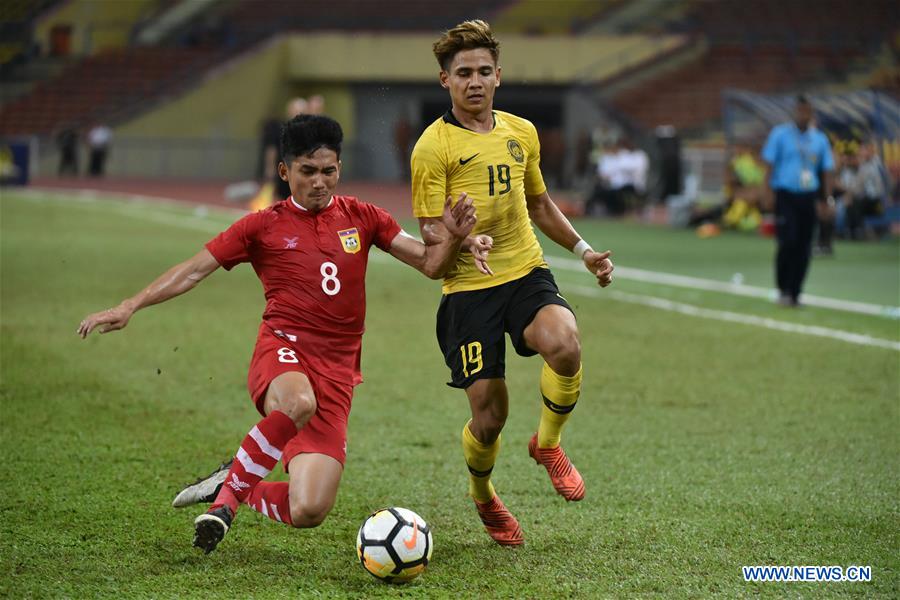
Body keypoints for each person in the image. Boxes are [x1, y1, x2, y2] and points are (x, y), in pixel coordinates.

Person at [77, 114, 477, 554]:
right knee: (298, 402)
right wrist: (130, 304)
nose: (319, 182)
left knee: (309, 509)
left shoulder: (364, 217)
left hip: (338, 371)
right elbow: (193, 271)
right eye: (307, 171)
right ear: (284, 171)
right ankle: (224, 508)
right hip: (283, 351)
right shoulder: (262, 226)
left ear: (339, 168)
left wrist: (454, 239)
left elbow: (429, 265)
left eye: (328, 171)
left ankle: (232, 481)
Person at [409, 20, 614, 546]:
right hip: (467, 290)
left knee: (565, 343)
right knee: (490, 417)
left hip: (524, 270)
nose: (474, 81)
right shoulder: (432, 147)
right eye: (463, 73)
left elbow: (540, 204)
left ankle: (548, 443)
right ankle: (483, 494)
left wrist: (584, 251)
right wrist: (462, 240)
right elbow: (429, 230)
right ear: (445, 80)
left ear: (498, 75)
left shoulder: (522, 132)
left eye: (483, 71)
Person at [761, 95, 834, 307]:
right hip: (786, 194)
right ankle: (783, 288)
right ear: (794, 111)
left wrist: (826, 199)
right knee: (788, 241)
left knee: (804, 245)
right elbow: (769, 165)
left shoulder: (819, 139)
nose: (803, 115)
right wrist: (767, 193)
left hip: (808, 195)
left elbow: (826, 171)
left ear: (811, 113)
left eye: (807, 111)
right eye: (800, 110)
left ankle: (795, 292)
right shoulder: (780, 134)